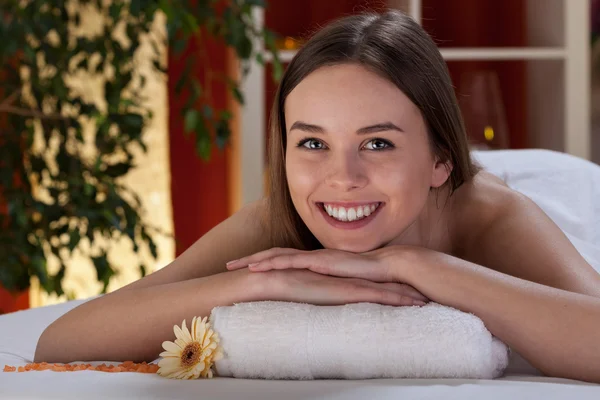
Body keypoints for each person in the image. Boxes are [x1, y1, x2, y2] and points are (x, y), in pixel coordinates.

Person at [34, 10, 600, 383]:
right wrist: (264, 281)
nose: (342, 176)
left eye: (376, 142)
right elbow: (63, 339)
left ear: (440, 158)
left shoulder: (489, 214)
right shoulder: (273, 223)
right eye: (312, 142)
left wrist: (415, 264)